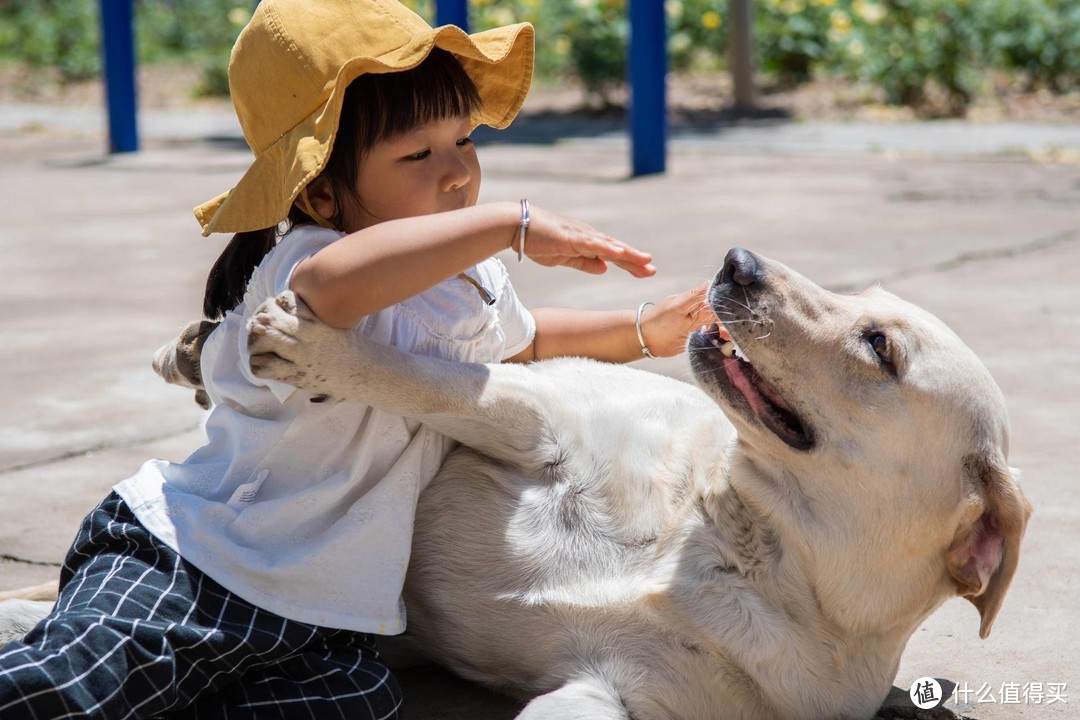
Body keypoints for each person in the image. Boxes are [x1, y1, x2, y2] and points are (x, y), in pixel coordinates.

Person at [0, 0, 709, 717]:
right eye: (417, 155)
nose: (458, 174)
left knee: (358, 704)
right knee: (60, 690)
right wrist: (506, 224)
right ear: (321, 189)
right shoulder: (311, 259)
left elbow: (525, 343)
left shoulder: (471, 283)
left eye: (465, 140)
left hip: (320, 612)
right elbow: (331, 291)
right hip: (194, 561)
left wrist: (645, 329)